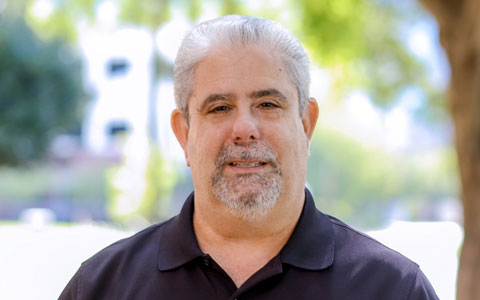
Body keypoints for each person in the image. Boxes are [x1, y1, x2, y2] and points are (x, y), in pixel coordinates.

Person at [59, 15, 439, 299]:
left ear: (306, 125)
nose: (245, 128)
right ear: (184, 133)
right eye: (220, 108)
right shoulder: (99, 287)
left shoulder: (393, 289)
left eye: (268, 103)